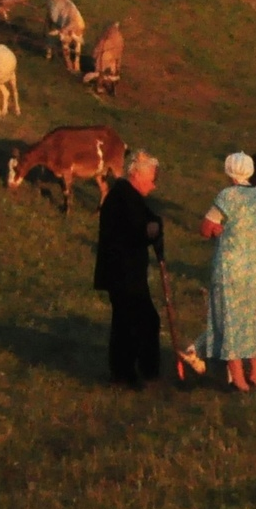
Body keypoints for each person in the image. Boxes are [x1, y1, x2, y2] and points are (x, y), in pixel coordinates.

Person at [199, 152, 256, 392]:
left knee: (231, 318)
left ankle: (238, 377)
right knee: (254, 318)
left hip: (231, 267)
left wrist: (218, 229)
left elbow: (206, 228)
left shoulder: (226, 196)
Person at [94, 150, 164, 388]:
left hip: (129, 273)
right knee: (135, 322)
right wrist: (149, 231)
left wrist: (153, 228)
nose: (153, 186)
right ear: (137, 175)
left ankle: (132, 373)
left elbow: (152, 221)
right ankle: (131, 374)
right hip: (122, 273)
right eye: (152, 179)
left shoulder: (129, 196)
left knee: (134, 321)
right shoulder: (122, 197)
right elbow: (137, 230)